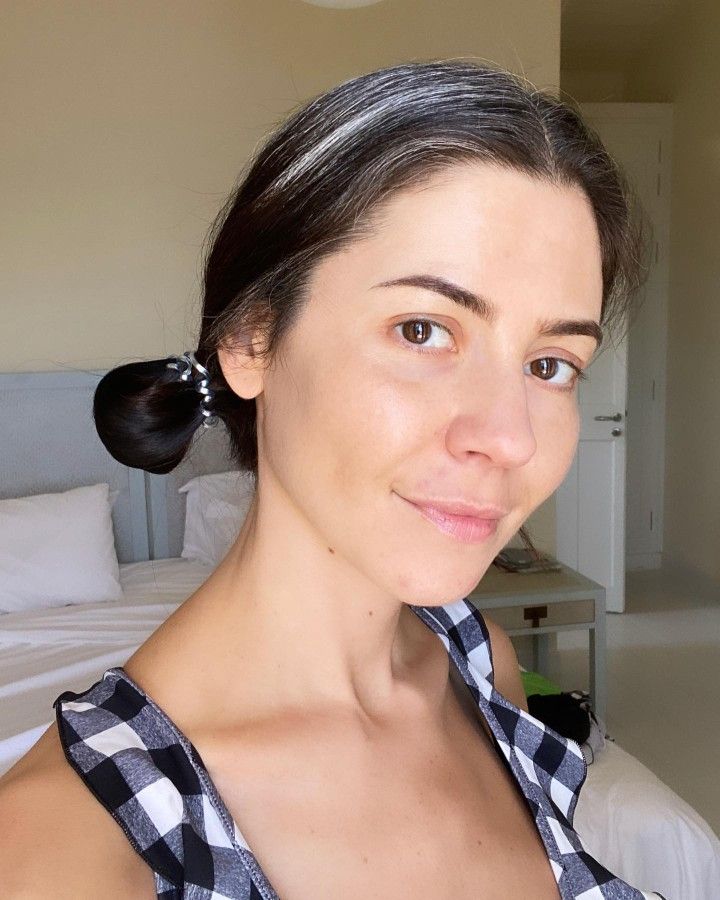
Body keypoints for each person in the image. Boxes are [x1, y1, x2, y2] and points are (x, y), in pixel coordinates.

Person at [0, 59, 664, 899]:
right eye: (422, 330)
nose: (508, 437)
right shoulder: (66, 849)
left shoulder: (477, 661)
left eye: (549, 364)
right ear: (250, 341)